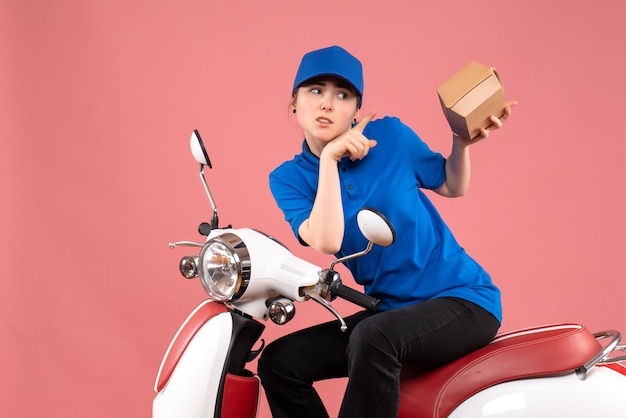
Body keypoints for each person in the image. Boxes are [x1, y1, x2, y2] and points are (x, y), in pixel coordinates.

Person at [258, 45, 517, 418]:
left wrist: (462, 142)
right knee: (280, 363)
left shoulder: (390, 136)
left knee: (373, 337)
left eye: (342, 95)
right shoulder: (288, 178)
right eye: (315, 91)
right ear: (294, 103)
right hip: (391, 311)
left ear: (356, 112)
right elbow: (326, 240)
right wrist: (329, 160)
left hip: (463, 301)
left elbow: (451, 184)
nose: (328, 104)